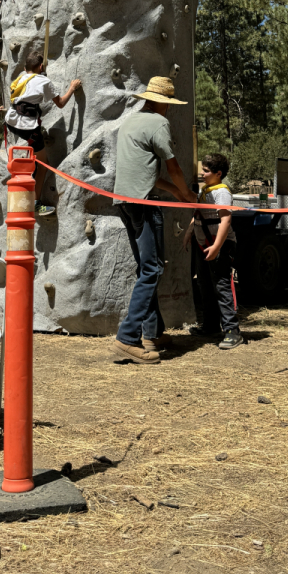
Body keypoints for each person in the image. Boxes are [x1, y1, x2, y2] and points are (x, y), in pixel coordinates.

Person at [112, 76, 197, 365]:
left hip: (124, 202)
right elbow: (173, 167)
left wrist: (176, 193)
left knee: (147, 267)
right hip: (144, 204)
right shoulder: (159, 123)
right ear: (163, 102)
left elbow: (145, 172)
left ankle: (153, 332)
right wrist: (187, 193)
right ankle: (127, 338)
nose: (169, 108)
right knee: (152, 269)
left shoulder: (131, 122)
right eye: (168, 103)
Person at [5, 51, 81, 217]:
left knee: (36, 148)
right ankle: (35, 203)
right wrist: (72, 88)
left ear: (25, 68)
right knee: (42, 164)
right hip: (27, 126)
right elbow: (60, 103)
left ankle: (33, 152)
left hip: (11, 121)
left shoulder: (21, 78)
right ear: (41, 66)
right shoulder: (44, 81)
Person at [183, 153, 243, 349]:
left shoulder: (222, 192)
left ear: (218, 173)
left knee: (221, 286)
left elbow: (226, 220)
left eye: (206, 171)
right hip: (204, 245)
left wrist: (217, 247)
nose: (202, 173)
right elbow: (199, 214)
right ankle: (210, 325)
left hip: (220, 246)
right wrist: (189, 232)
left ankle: (232, 330)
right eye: (203, 169)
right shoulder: (205, 190)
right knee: (204, 285)